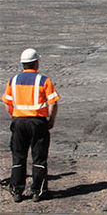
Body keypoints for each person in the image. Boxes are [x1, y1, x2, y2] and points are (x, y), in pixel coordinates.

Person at [3, 49, 61, 202]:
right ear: (36, 63)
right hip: (38, 123)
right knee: (39, 158)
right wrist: (51, 121)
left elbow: (7, 102)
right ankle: (38, 191)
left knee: (18, 156)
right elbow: (53, 103)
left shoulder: (13, 80)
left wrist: (15, 117)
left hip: (19, 122)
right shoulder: (44, 80)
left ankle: (16, 190)